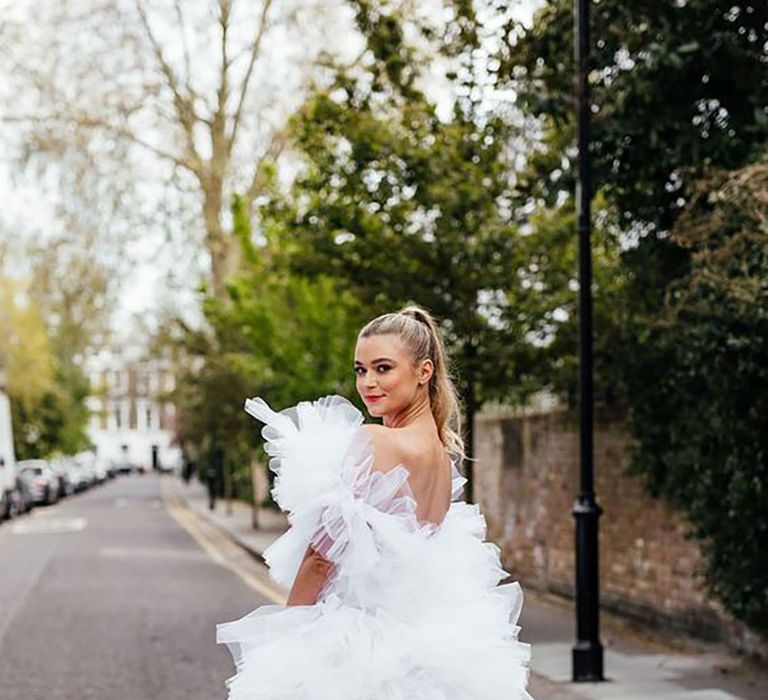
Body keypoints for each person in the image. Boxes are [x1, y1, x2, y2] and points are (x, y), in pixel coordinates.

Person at [216, 305, 533, 700]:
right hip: (427, 642)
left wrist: (290, 638)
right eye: (360, 370)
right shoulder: (439, 453)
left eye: (383, 368)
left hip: (360, 646)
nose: (368, 382)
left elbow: (321, 556)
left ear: (424, 371)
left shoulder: (376, 441)